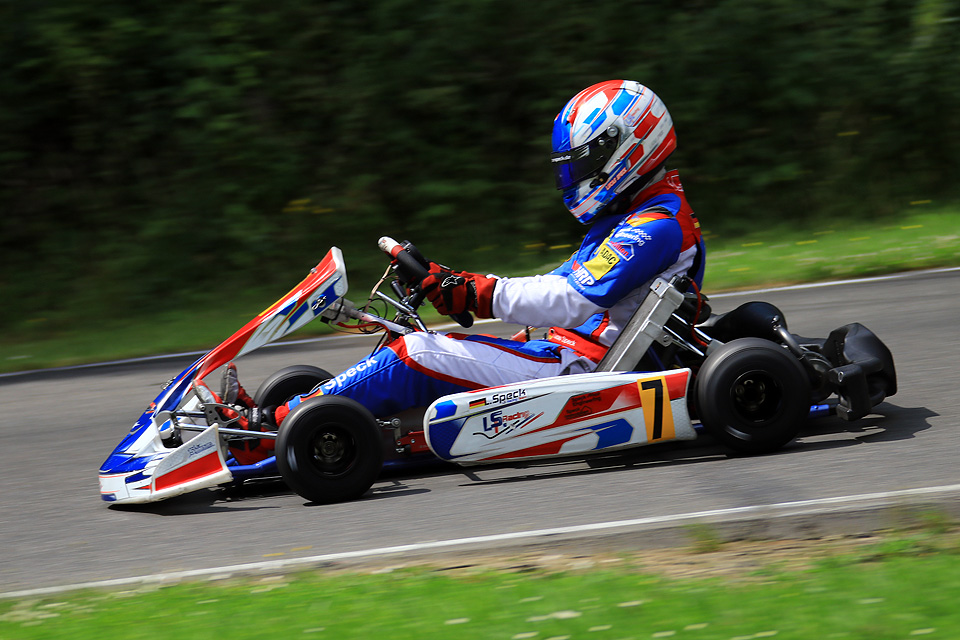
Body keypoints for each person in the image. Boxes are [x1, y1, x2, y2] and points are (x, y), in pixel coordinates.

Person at [230, 80, 705, 429]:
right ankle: (297, 411)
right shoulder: (632, 214)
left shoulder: (655, 226)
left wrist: (476, 293)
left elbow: (572, 299)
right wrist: (467, 290)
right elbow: (563, 290)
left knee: (415, 353)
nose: (574, 176)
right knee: (414, 340)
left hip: (584, 372)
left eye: (583, 164)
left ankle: (266, 427)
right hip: (566, 350)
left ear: (628, 149)